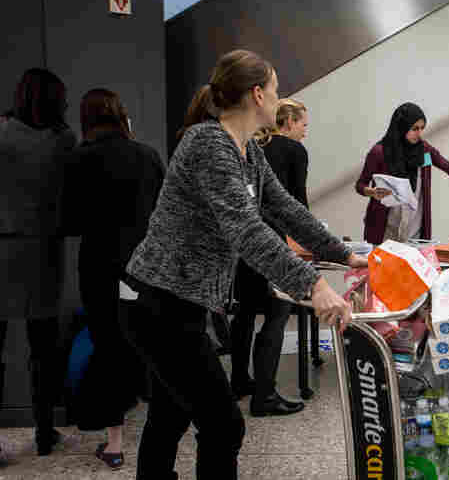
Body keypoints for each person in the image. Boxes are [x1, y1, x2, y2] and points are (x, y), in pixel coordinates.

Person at [121, 49, 366, 480]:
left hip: (180, 305)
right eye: (274, 90)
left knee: (170, 417)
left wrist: (343, 254)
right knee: (223, 426)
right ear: (257, 94)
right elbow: (246, 229)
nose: (277, 99)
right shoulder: (207, 144)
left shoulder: (247, 151)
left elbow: (286, 208)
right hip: (159, 304)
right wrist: (312, 286)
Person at [61, 89, 165, 469]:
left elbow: (69, 221)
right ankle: (161, 428)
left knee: (107, 344)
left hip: (100, 267)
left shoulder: (78, 159)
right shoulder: (147, 155)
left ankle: (116, 444)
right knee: (147, 342)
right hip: (143, 268)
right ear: (123, 116)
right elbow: (164, 213)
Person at [0, 68, 76, 458]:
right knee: (43, 350)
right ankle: (45, 432)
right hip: (44, 249)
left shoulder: (2, 131)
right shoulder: (64, 138)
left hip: (2, 247)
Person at [229, 98, 310, 416]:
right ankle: (265, 395)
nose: (305, 131)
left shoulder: (249, 145)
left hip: (244, 240)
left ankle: (239, 381)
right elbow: (297, 205)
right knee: (278, 315)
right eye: (303, 123)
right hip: (274, 243)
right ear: (288, 122)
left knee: (245, 312)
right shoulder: (293, 151)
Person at [356, 102, 449, 244]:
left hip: (414, 224)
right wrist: (372, 192)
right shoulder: (379, 152)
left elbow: (448, 167)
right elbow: (360, 185)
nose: (419, 133)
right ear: (402, 127)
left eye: (422, 128)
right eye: (415, 129)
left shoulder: (424, 150)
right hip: (385, 226)